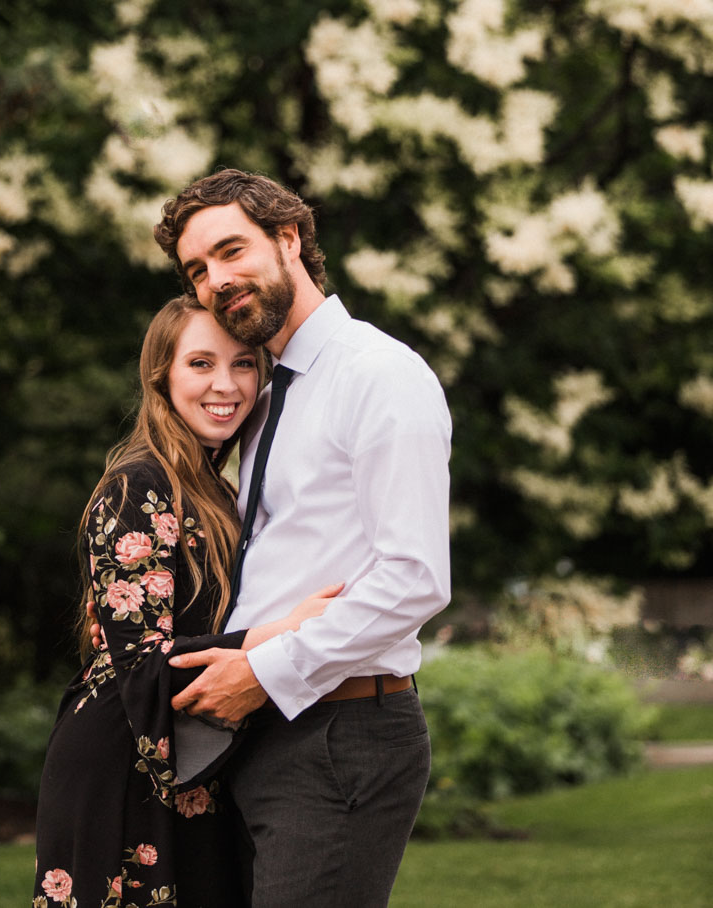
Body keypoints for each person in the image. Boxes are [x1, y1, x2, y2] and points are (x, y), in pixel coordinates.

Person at [153, 169, 452, 908]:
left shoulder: (378, 375)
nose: (217, 281)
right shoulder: (261, 394)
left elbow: (414, 578)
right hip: (262, 730)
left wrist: (265, 672)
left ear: (289, 239)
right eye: (198, 270)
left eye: (231, 251)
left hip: (340, 731)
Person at [33, 294, 341, 908]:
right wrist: (280, 633)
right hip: (122, 766)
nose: (225, 385)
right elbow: (144, 665)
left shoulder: (217, 493)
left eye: (244, 364)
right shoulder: (137, 485)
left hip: (192, 766)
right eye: (200, 364)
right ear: (161, 378)